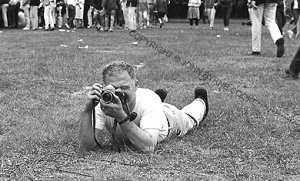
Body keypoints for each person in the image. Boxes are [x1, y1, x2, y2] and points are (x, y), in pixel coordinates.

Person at [78, 61, 209, 153]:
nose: (118, 94)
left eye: (124, 87)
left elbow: (148, 147)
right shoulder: (104, 102)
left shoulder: (149, 99)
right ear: (104, 88)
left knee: (189, 118)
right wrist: (87, 110)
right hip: (150, 108)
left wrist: (121, 116)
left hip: (169, 118)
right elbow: (86, 146)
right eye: (113, 89)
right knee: (151, 106)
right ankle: (159, 99)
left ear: (136, 85)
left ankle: (201, 101)